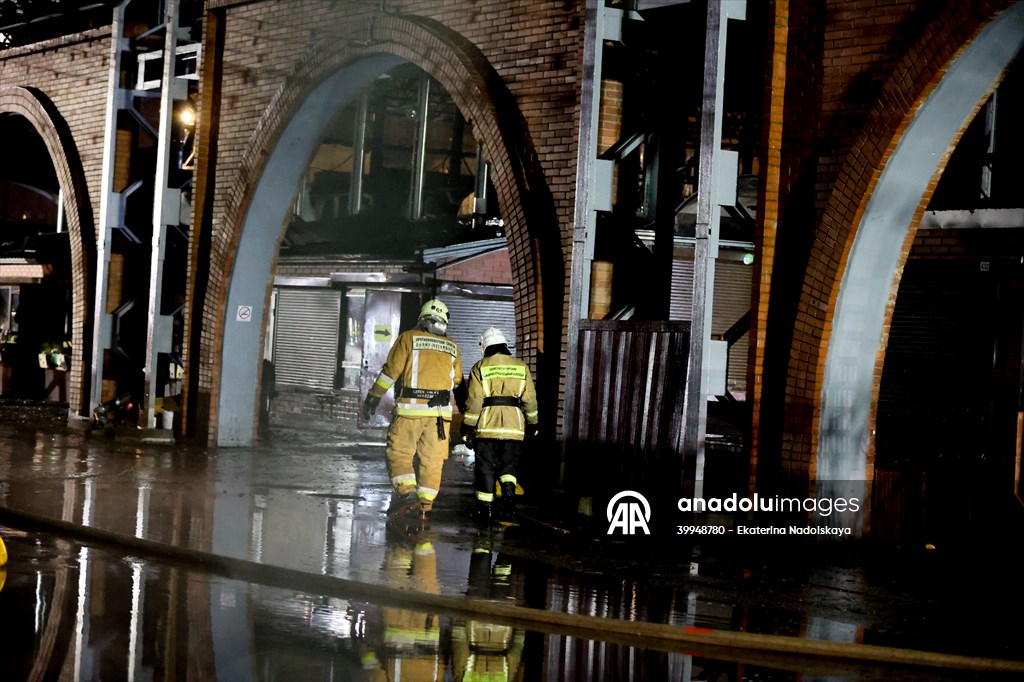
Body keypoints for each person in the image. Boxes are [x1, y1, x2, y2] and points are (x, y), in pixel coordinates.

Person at [363, 298, 462, 524]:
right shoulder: (453, 347)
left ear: (423, 319)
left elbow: (391, 371)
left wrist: (374, 396)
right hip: (440, 416)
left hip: (411, 410)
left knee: (399, 453)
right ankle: (424, 509)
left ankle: (407, 494)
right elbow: (457, 381)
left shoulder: (409, 338)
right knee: (432, 461)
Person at [461, 326, 538, 523]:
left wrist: (468, 428)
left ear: (485, 346)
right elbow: (529, 399)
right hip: (514, 427)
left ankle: (485, 510)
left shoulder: (480, 367)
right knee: (509, 466)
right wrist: (532, 424)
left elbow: (475, 400)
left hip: (487, 427)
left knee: (485, 467)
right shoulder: (521, 366)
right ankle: (509, 501)